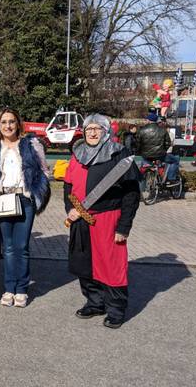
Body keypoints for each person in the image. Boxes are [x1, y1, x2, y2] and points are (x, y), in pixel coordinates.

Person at [64, 114, 140, 329]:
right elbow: (69, 186)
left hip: (108, 218)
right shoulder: (77, 154)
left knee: (111, 265)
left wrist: (124, 226)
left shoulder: (119, 154)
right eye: (89, 129)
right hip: (80, 218)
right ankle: (95, 302)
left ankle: (115, 308)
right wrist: (70, 209)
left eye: (98, 128)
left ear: (106, 131)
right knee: (84, 263)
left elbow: (131, 194)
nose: (93, 133)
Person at [0, 108, 51, 308]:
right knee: (7, 248)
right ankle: (9, 287)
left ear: (18, 124)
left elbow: (44, 172)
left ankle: (22, 289)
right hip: (3, 199)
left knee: (21, 247)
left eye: (12, 122)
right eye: (4, 122)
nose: (8, 126)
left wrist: (36, 196)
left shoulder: (30, 145)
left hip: (24, 199)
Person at [136, 113, 179, 183]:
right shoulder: (163, 130)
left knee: (143, 170)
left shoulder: (142, 130)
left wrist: (140, 152)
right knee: (175, 160)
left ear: (148, 120)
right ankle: (171, 178)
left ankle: (142, 185)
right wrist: (163, 150)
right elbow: (168, 143)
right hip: (160, 155)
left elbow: (138, 144)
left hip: (146, 156)